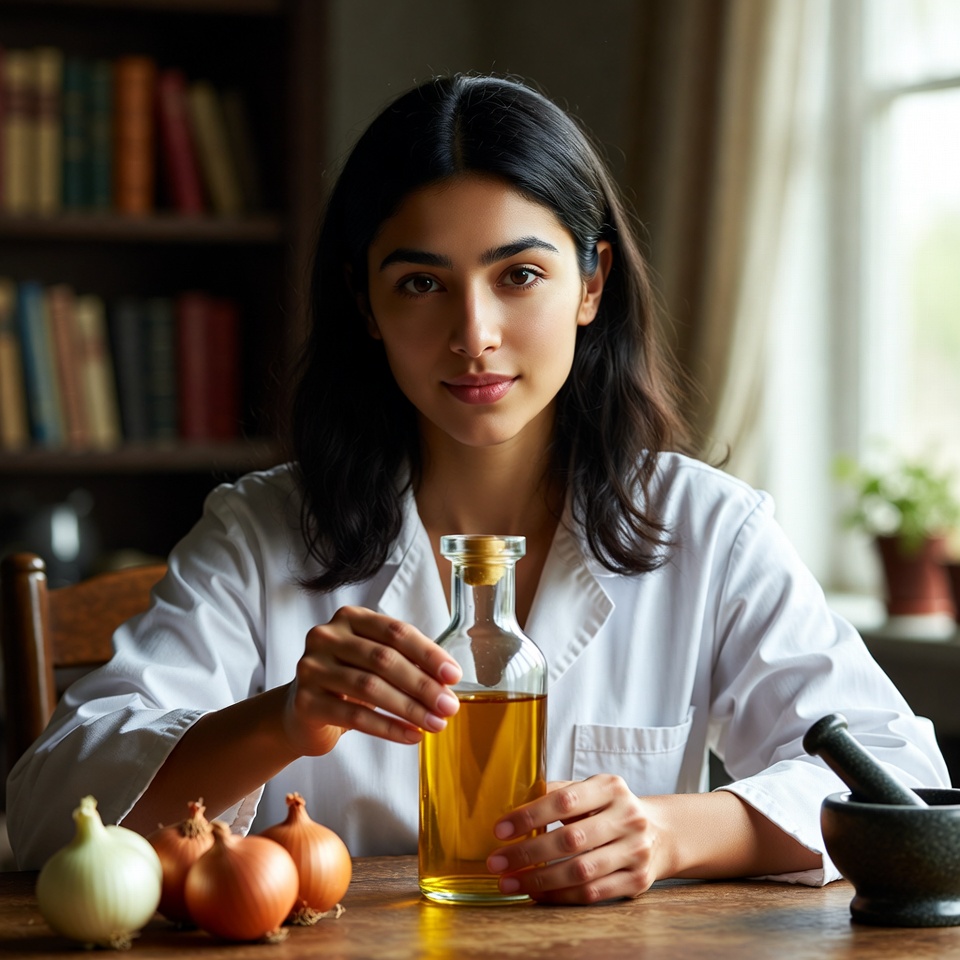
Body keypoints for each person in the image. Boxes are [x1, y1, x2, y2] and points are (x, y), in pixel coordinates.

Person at [7, 74, 949, 901]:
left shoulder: (708, 528)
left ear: (591, 284)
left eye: (520, 275)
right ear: (364, 304)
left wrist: (671, 834)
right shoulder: (259, 532)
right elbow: (54, 811)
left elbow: (899, 780)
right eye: (421, 283)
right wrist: (282, 720)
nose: (475, 333)